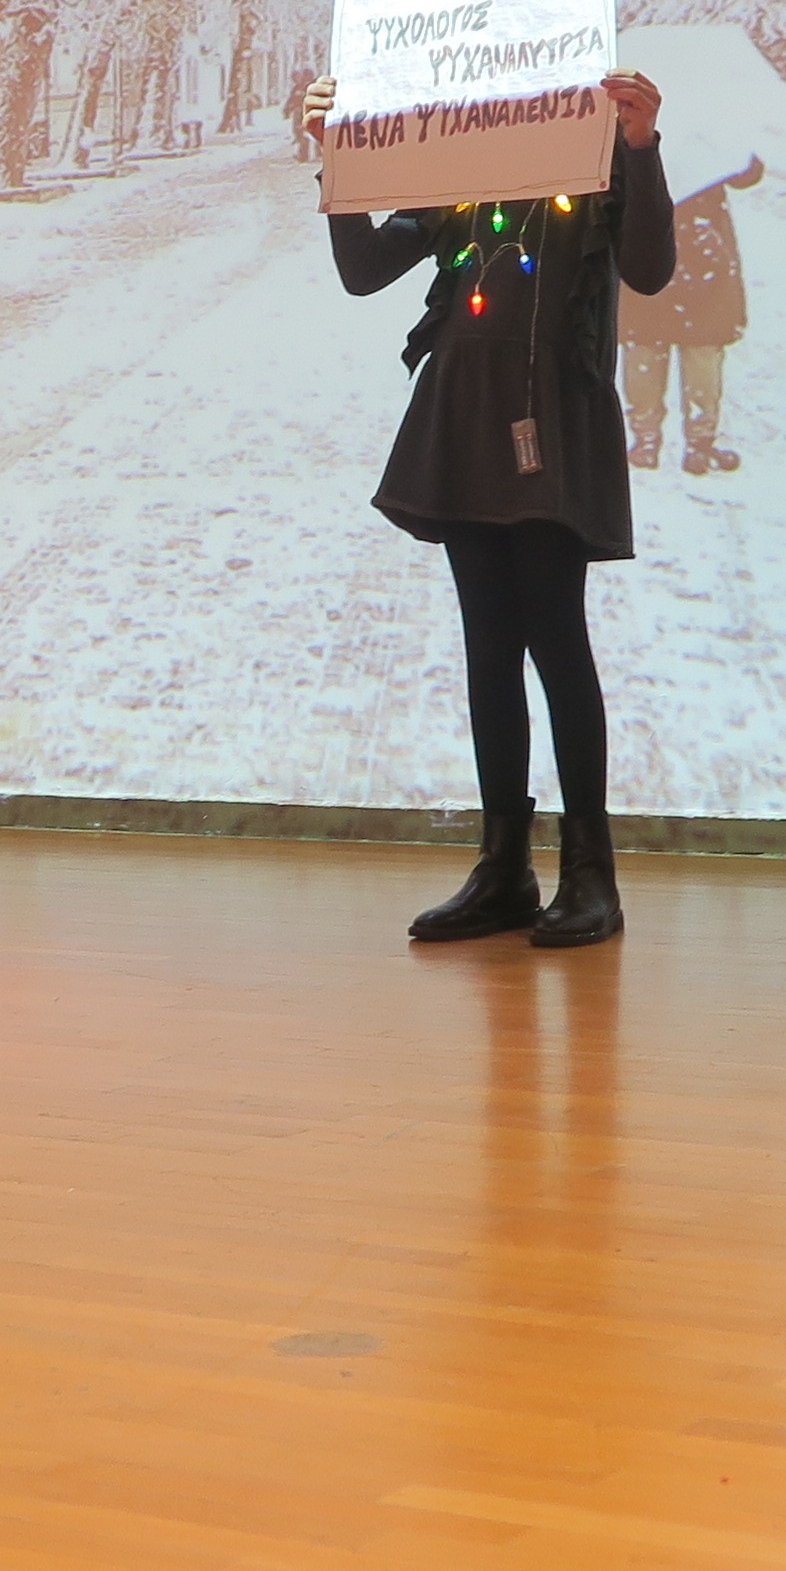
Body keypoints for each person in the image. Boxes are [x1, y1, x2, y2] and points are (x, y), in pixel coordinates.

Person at [299, 69, 672, 948]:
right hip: (464, 413)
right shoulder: (453, 165)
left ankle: (592, 878)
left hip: (549, 411)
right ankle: (502, 869)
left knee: (555, 635)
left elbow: (651, 268)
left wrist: (642, 146)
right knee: (488, 645)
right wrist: (337, 160)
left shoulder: (594, 157)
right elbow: (362, 271)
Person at [622, 153, 764, 474]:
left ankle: (662, 441)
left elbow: (749, 173)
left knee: (661, 348)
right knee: (673, 348)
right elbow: (748, 173)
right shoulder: (702, 135)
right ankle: (675, 441)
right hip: (677, 244)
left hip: (664, 243)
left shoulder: (698, 132)